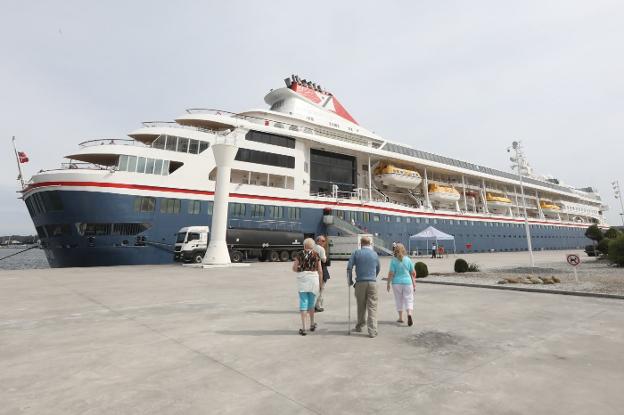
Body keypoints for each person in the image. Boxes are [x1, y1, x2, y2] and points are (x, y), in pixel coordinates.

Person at [347, 236, 381, 338]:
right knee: (372, 306)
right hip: (372, 282)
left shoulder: (356, 253)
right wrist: (373, 277)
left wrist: (350, 280)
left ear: (360, 243)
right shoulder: (374, 254)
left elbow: (349, 267)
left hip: (360, 282)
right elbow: (378, 267)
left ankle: (360, 325)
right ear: (370, 244)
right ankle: (372, 331)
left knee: (361, 305)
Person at [292, 238, 323, 336]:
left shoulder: (299, 254)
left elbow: (294, 268)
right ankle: (312, 324)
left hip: (303, 280)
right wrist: (321, 283)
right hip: (313, 280)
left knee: (303, 302)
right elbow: (320, 270)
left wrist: (301, 269)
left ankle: (304, 327)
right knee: (311, 303)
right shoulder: (316, 254)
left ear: (304, 246)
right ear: (313, 246)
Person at [386, 243, 416, 327]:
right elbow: (413, 273)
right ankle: (409, 314)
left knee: (399, 299)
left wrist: (388, 283)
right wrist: (414, 283)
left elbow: (391, 273)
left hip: (396, 283)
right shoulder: (408, 259)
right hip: (407, 282)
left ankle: (400, 318)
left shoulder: (393, 260)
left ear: (395, 250)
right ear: (404, 250)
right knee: (409, 299)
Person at [313, 235, 331, 312]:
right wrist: (327, 259)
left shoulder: (311, 247)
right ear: (318, 241)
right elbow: (324, 260)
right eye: (322, 241)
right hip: (321, 271)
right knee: (320, 289)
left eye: (324, 241)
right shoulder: (321, 249)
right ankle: (318, 306)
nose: (324, 242)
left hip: (311, 271)